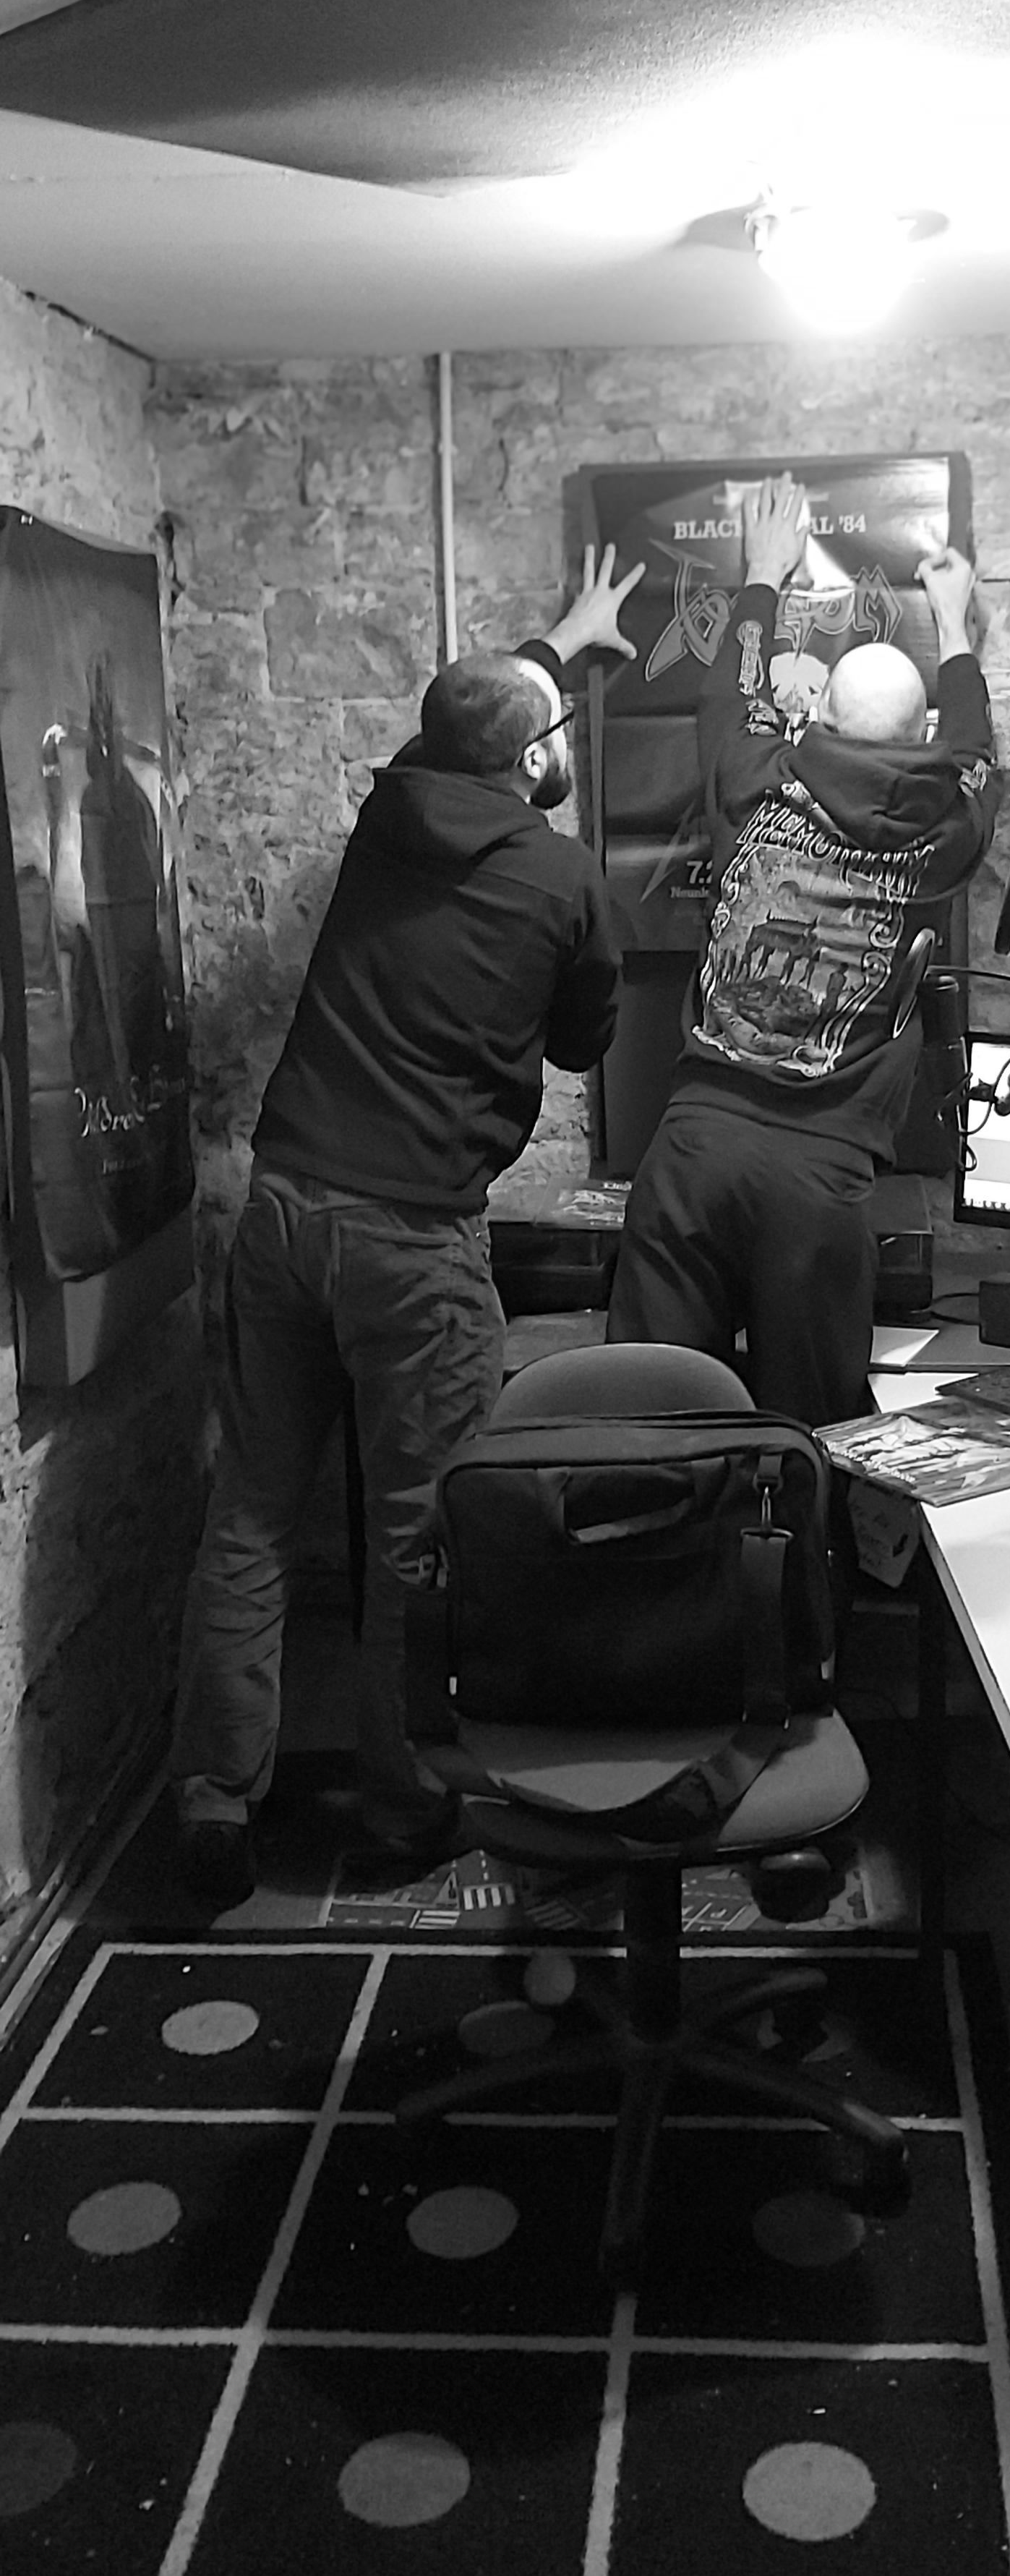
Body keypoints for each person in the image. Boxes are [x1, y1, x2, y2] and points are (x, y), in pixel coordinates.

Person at [171, 545, 642, 1908]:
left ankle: (213, 1801)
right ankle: (403, 1804)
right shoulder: (564, 879)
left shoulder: (391, 808)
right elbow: (583, 1042)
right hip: (413, 1242)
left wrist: (559, 642)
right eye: (555, 730)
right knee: (414, 1536)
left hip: (283, 1208)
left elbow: (469, 718)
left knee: (251, 1512)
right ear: (535, 759)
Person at [606, 475, 998, 1425]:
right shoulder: (948, 831)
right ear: (920, 735)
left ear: (813, 718)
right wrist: (955, 625)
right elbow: (974, 748)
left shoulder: (753, 781)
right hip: (820, 1180)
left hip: (692, 1151)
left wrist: (763, 576)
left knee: (654, 1426)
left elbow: (731, 692)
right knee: (812, 1440)